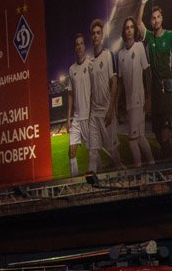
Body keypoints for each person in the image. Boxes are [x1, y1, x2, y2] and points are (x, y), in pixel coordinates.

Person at [136, 0, 172, 161]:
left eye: (158, 17)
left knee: (163, 133)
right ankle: (167, 158)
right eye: (153, 18)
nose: (155, 20)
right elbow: (138, 21)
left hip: (166, 90)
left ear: (162, 18)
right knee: (156, 133)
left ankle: (169, 163)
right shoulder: (149, 37)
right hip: (154, 92)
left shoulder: (170, 36)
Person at [116, 16, 154, 166]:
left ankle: (138, 170)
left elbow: (147, 73)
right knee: (140, 137)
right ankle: (152, 165)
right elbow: (120, 82)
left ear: (135, 30)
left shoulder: (139, 47)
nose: (130, 30)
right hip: (129, 104)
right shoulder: (120, 55)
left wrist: (149, 98)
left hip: (139, 100)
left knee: (132, 140)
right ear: (124, 32)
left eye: (132, 27)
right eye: (127, 28)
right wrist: (116, 104)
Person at [86, 19, 122, 173]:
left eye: (98, 33)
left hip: (107, 113)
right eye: (93, 33)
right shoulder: (90, 63)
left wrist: (111, 109)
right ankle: (93, 186)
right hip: (94, 114)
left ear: (102, 36)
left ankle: (122, 174)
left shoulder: (109, 55)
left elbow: (114, 83)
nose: (95, 36)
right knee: (93, 151)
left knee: (113, 151)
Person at [64, 33, 91, 177]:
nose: (79, 46)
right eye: (77, 44)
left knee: (92, 151)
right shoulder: (71, 69)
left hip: (88, 117)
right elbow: (70, 94)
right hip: (76, 118)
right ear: (75, 48)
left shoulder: (90, 64)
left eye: (81, 43)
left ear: (84, 46)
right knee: (71, 152)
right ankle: (74, 182)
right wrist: (68, 119)